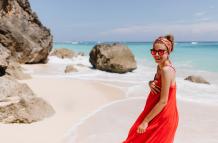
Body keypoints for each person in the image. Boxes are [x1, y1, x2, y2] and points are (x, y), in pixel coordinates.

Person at [122, 34, 179, 143]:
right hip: (154, 111)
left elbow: (163, 101)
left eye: (161, 52)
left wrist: (145, 121)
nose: (156, 55)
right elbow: (158, 84)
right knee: (134, 136)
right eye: (154, 51)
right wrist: (150, 83)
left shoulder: (166, 70)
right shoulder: (160, 66)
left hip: (162, 116)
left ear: (168, 52)